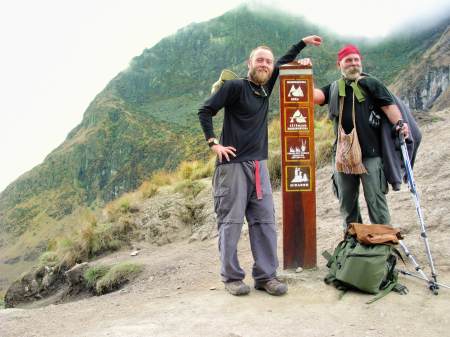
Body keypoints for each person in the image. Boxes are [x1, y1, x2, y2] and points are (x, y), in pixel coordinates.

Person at [198, 35, 322, 296]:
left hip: (258, 166)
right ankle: (232, 278)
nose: (265, 65)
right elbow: (206, 110)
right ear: (250, 63)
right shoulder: (235, 86)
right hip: (231, 167)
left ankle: (266, 277)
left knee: (264, 221)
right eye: (260, 60)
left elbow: (285, 61)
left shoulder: (266, 86)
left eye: (268, 61)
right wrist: (214, 144)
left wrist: (302, 43)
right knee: (230, 223)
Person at [298, 45, 409, 231]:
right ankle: (353, 245)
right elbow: (313, 97)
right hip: (342, 155)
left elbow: (389, 107)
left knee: (376, 200)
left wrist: (400, 123)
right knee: (347, 202)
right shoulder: (334, 87)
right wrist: (306, 73)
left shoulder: (371, 83)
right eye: (348, 60)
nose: (354, 64)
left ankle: (382, 248)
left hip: (370, 153)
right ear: (339, 64)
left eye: (356, 60)